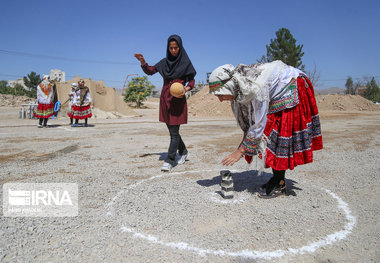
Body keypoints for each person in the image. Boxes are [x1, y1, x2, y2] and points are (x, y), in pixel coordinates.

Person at [208, 60, 323, 198]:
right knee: (271, 134)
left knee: (275, 135)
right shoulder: (242, 87)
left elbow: (258, 124)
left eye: (221, 95)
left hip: (293, 85)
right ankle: (277, 179)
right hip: (282, 86)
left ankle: (279, 183)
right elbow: (252, 122)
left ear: (230, 86)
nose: (221, 100)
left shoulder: (256, 87)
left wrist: (240, 151)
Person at [134, 34, 197, 172]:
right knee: (172, 130)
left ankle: (169, 159)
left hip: (178, 100)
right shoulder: (164, 62)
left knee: (174, 133)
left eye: (176, 48)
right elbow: (150, 71)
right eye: (171, 48)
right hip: (165, 99)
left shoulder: (185, 62)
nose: (173, 50)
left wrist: (186, 88)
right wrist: (143, 62)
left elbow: (192, 80)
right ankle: (184, 151)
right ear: (168, 48)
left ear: (180, 47)